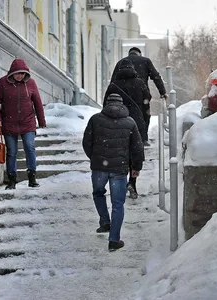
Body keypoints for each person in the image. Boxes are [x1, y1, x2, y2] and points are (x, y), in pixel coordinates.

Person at [82, 93, 144, 251]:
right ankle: (114, 239)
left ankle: (104, 221)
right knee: (118, 204)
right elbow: (137, 147)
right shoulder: (130, 122)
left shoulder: (95, 119)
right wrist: (136, 167)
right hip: (119, 168)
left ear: (106, 104)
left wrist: (95, 158)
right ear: (122, 105)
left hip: (99, 168)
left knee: (98, 193)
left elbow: (86, 142)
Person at [0, 58, 46, 190]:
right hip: (9, 123)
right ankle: (12, 180)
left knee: (30, 146)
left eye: (22, 73)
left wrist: (41, 120)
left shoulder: (31, 83)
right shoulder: (2, 83)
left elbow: (37, 102)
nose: (20, 76)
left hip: (27, 122)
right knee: (12, 152)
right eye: (17, 73)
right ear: (11, 73)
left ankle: (32, 178)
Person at [104, 58, 150, 199]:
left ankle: (120, 181)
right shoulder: (140, 83)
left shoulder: (114, 85)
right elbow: (148, 98)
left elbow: (106, 104)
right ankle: (132, 181)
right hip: (136, 123)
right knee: (135, 152)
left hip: (117, 124)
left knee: (121, 152)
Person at [111, 47, 167, 145]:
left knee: (123, 116)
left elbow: (113, 82)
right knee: (144, 116)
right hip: (141, 94)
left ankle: (125, 139)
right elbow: (156, 77)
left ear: (129, 54)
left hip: (122, 95)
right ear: (139, 54)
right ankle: (143, 139)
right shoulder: (145, 61)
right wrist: (162, 92)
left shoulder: (120, 63)